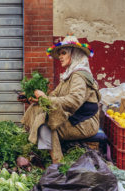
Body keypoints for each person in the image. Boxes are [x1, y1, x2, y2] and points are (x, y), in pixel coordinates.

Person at [21, 34, 100, 163]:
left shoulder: (79, 76)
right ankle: (43, 153)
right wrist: (35, 99)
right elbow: (54, 96)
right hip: (73, 118)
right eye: (60, 54)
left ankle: (57, 163)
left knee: (46, 123)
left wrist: (46, 98)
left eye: (63, 53)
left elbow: (74, 100)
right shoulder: (68, 76)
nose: (60, 57)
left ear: (74, 54)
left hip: (85, 123)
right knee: (36, 109)